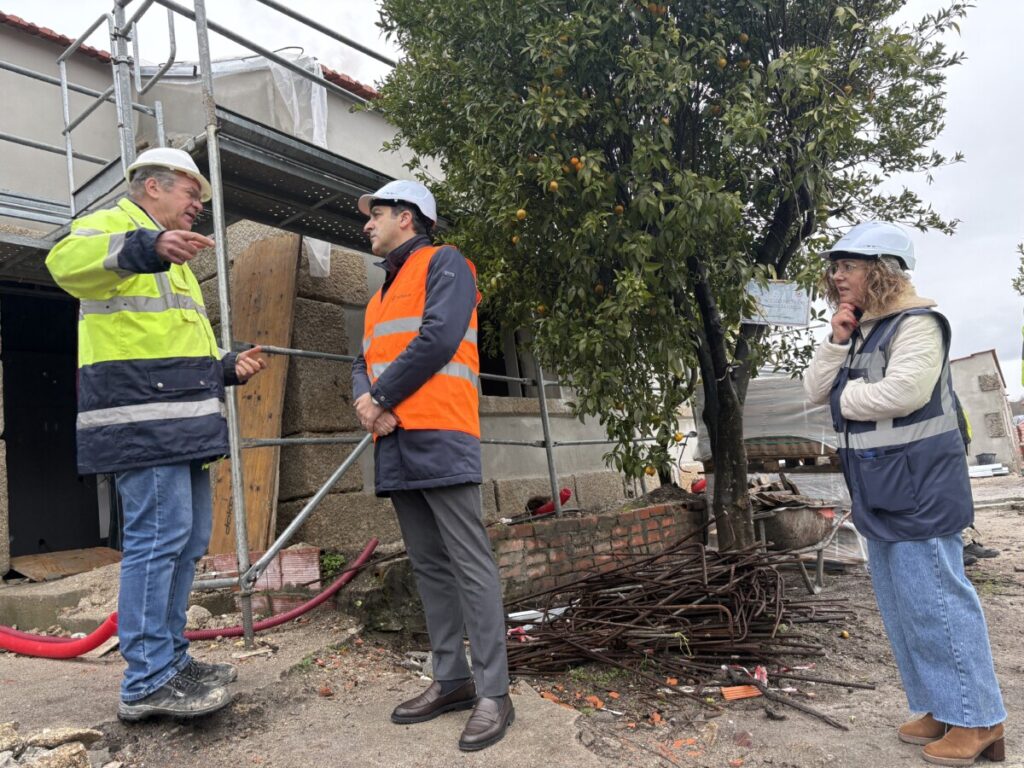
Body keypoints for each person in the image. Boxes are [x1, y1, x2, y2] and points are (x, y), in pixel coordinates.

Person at [46, 147, 266, 721]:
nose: (198, 207)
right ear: (152, 188)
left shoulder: (176, 259)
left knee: (187, 545)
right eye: (192, 194)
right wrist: (146, 246)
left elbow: (171, 343)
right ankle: (146, 680)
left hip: (180, 424)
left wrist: (224, 364)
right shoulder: (116, 227)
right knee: (157, 542)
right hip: (142, 422)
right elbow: (64, 262)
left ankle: (170, 658)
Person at [804, 222, 1006, 765]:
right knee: (902, 606)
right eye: (836, 266)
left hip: (920, 486)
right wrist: (836, 341)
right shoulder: (862, 331)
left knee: (938, 599)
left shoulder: (919, 325)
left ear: (882, 269)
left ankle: (979, 718)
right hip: (879, 485)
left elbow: (905, 392)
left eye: (848, 266)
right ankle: (942, 708)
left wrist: (841, 400)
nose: (837, 275)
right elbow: (812, 386)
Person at [351, 180, 513, 751]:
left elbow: (440, 336)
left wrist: (383, 397)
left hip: (441, 432)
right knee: (430, 566)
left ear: (408, 217)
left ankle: (495, 692)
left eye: (377, 214)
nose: (367, 223)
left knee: (470, 564)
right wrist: (367, 405)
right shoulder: (377, 298)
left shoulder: (447, 264)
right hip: (393, 441)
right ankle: (451, 680)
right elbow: (362, 362)